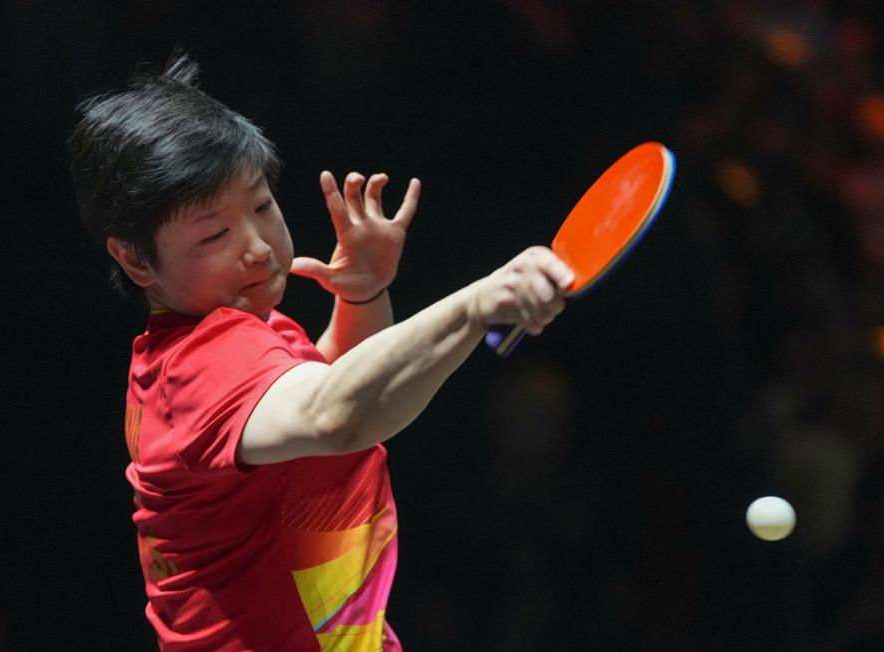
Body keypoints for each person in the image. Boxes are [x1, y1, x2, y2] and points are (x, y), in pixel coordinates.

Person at [68, 52, 573, 651]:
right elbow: (337, 414)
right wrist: (476, 304)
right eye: (215, 233)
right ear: (135, 258)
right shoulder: (199, 365)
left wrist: (362, 296)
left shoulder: (230, 337)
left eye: (262, 206)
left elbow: (329, 387)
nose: (258, 247)